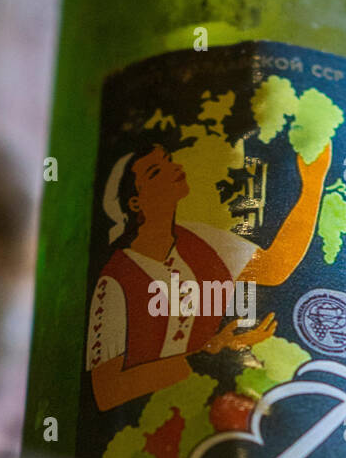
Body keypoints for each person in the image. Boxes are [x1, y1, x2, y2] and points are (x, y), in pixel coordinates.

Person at [86, 139, 330, 411]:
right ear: (135, 203)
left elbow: (274, 267)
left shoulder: (199, 239)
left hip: (205, 407)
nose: (173, 169)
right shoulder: (114, 281)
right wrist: (208, 353)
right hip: (143, 425)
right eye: (156, 172)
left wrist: (312, 185)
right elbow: (106, 390)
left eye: (168, 160)